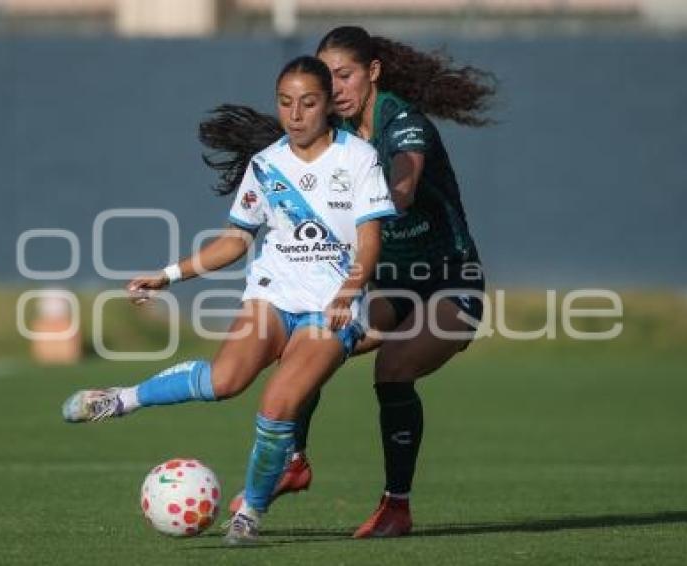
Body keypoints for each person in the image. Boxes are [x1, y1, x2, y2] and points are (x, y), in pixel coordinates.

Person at [61, 55, 396, 545]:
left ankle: (250, 515)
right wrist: (170, 274)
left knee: (278, 404)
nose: (296, 114)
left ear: (327, 105)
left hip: (332, 308)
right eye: (286, 103)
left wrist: (349, 290)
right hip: (273, 296)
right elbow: (236, 241)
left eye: (308, 103)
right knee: (224, 380)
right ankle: (121, 399)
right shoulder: (266, 165)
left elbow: (370, 241)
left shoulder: (358, 158)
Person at [224, 26, 496, 538]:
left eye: (346, 75)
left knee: (393, 369)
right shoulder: (338, 136)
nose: (338, 88)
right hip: (390, 280)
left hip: (447, 279)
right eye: (330, 79)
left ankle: (397, 505)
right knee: (311, 344)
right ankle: (293, 461)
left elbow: (405, 187)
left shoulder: (403, 122)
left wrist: (359, 206)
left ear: (372, 73)